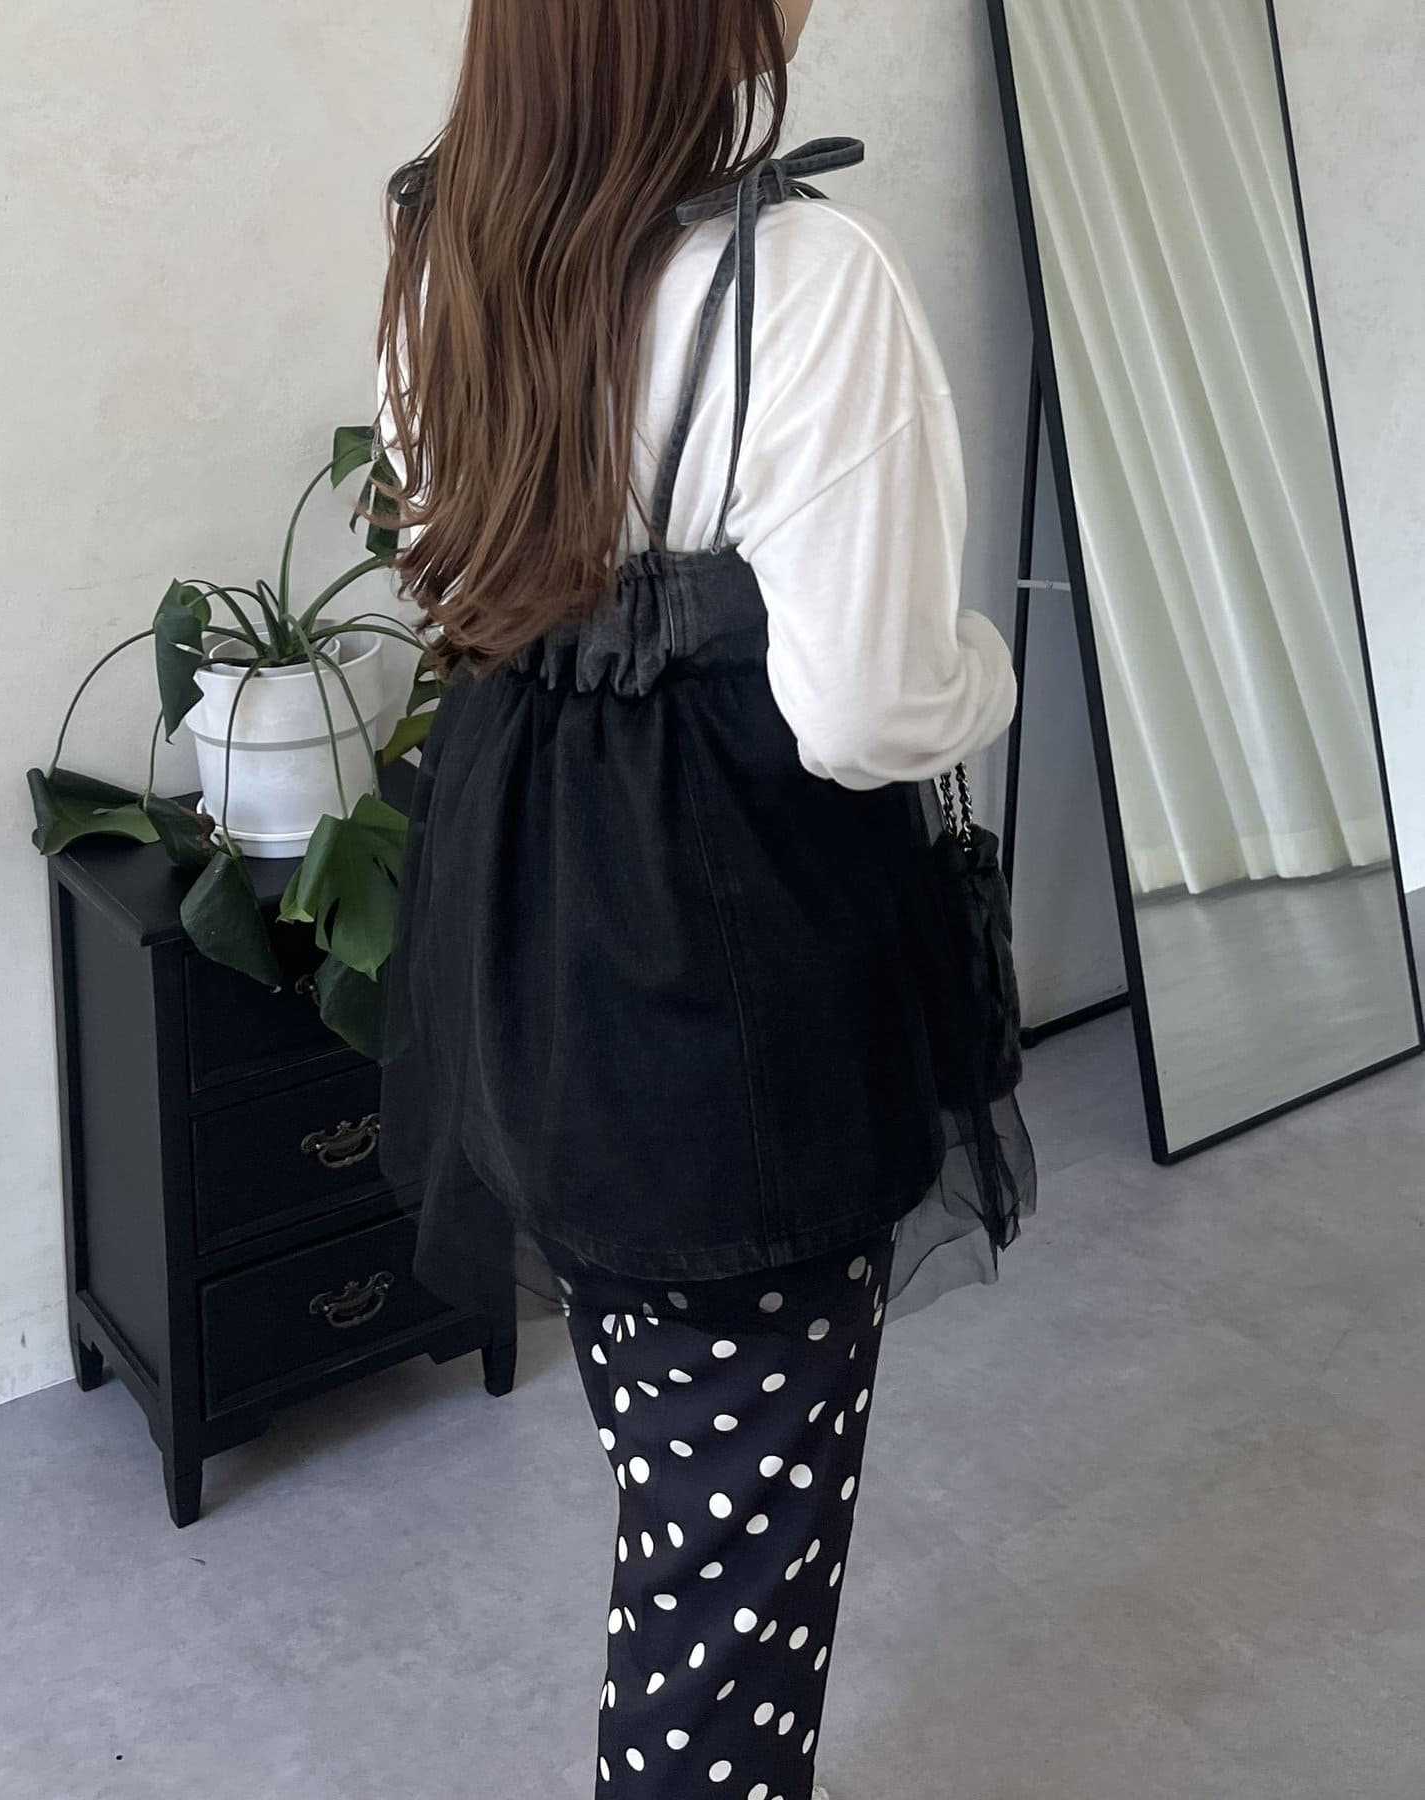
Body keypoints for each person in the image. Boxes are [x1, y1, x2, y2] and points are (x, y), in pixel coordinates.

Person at [375, 3, 1036, 1794]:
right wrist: (981, 668)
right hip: (728, 987)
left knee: (677, 1472)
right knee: (736, 1571)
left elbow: (442, 551)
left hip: (529, 935)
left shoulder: (445, 239)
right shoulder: (802, 281)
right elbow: (868, 711)